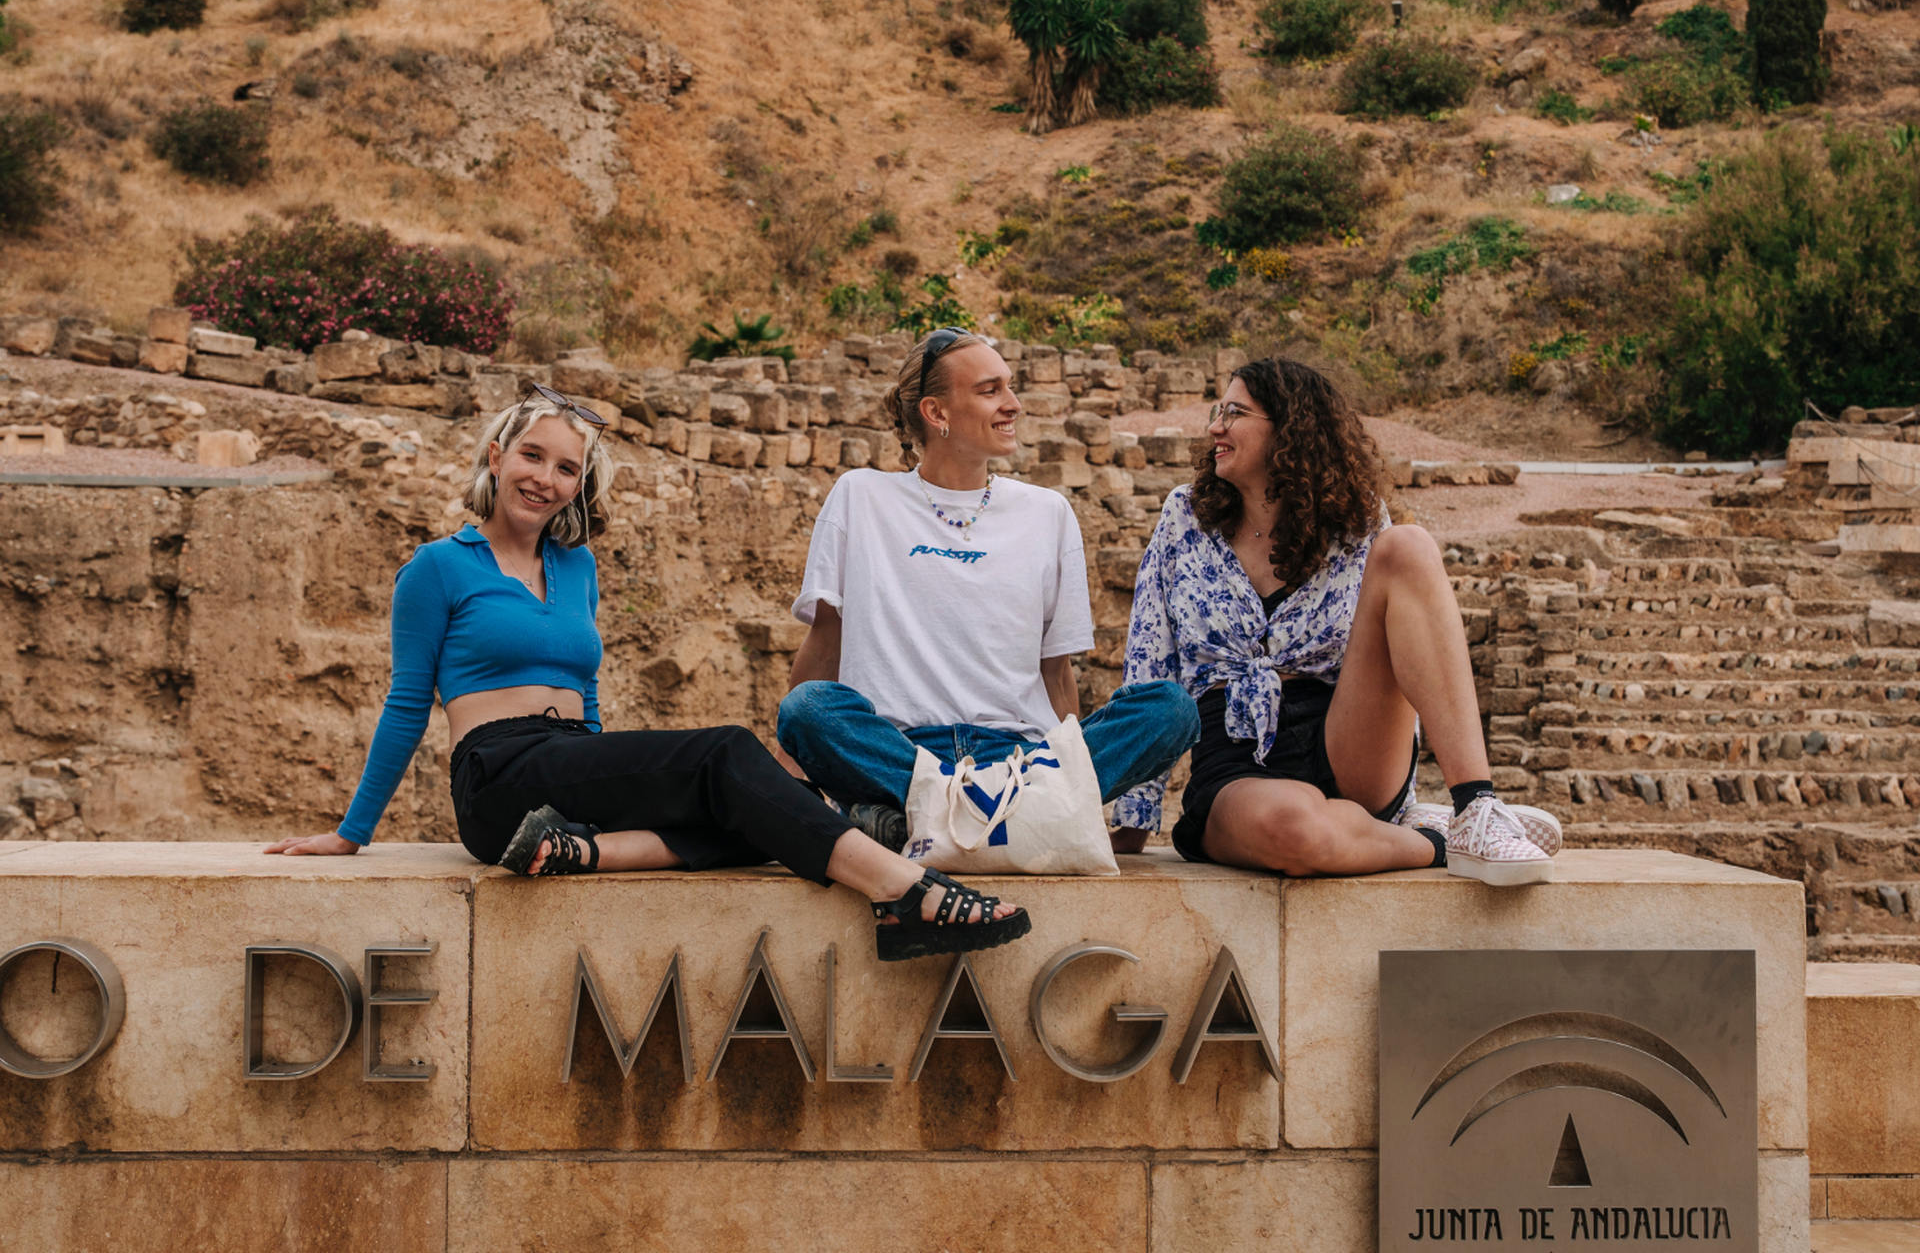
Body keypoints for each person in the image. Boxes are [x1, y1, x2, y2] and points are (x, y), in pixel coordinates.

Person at [265, 387, 1030, 961]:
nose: (546, 478)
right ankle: (904, 894)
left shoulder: (577, 567)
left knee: (778, 807)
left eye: (567, 468)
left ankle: (578, 851)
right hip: (497, 773)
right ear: (496, 457)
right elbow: (406, 704)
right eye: (532, 456)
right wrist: (351, 833)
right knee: (729, 754)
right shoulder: (437, 568)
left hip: (563, 772)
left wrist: (607, 781)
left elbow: (587, 697)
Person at [1112, 354, 1561, 885]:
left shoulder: (1359, 519)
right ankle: (1436, 839)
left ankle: (1476, 806)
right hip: (1233, 757)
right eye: (1218, 410)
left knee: (1409, 548)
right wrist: (1130, 821)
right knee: (1298, 831)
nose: (1215, 427)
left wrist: (1402, 787)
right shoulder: (1184, 516)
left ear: (1289, 431)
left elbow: (1401, 653)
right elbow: (1150, 658)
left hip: (1347, 736)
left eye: (1234, 412)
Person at [776, 328, 1198, 847]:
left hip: (1022, 759)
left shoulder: (1048, 513)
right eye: (990, 390)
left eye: (1011, 387)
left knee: (1171, 708)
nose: (1013, 404)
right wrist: (785, 782)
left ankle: (925, 819)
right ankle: (1009, 818)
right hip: (899, 752)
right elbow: (825, 644)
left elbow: (1055, 671)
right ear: (937, 413)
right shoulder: (860, 497)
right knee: (806, 709)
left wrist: (1073, 774)